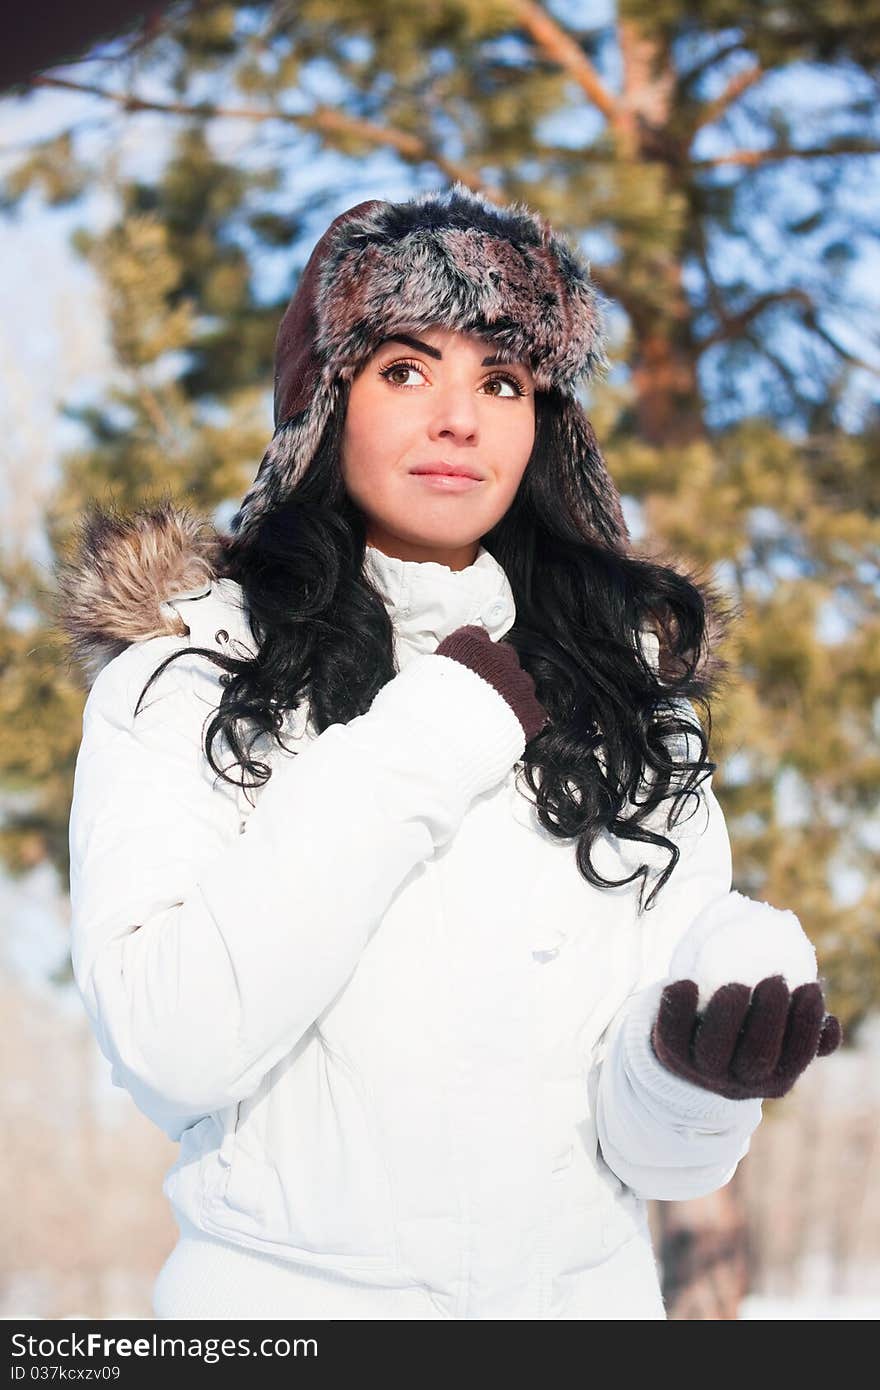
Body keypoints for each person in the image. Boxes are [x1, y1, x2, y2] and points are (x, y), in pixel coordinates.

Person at [56, 181, 841, 1321]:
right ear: (327, 402)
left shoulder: (630, 705)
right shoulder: (190, 675)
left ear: (543, 423)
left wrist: (697, 1076)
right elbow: (176, 1041)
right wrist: (432, 731)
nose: (459, 419)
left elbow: (661, 1163)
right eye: (406, 369)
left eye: (503, 380)